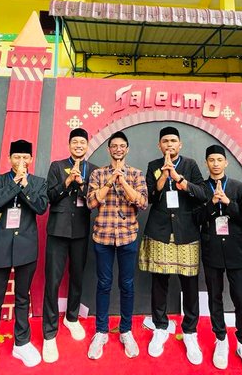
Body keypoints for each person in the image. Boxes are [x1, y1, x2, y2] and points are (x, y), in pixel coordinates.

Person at [0, 140, 49, 375]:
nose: (21, 161)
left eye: (25, 157)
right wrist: (15, 183)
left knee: (22, 298)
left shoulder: (38, 183)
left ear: (31, 160)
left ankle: (21, 343)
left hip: (26, 248)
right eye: (17, 157)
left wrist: (25, 186)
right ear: (9, 159)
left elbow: (40, 207)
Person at [139, 126, 206, 365]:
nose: (169, 144)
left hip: (186, 230)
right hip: (159, 230)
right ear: (159, 145)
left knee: (189, 283)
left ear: (180, 145)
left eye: (173, 141)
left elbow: (202, 194)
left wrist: (178, 178)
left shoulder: (190, 165)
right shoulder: (153, 166)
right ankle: (160, 327)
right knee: (160, 282)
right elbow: (148, 196)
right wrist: (163, 176)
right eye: (165, 141)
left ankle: (190, 331)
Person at [85, 131, 148, 360]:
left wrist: (122, 182)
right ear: (109, 149)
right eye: (114, 146)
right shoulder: (98, 174)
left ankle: (125, 331)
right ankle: (101, 331)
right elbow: (91, 203)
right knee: (103, 284)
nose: (118, 149)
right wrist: (111, 180)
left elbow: (142, 202)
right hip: (102, 237)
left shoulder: (136, 174)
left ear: (127, 149)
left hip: (127, 237)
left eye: (122, 146)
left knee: (127, 285)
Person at [198, 145, 242, 374]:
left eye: (219, 160)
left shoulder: (239, 187)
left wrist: (227, 202)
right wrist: (211, 204)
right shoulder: (201, 188)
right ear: (206, 163)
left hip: (236, 250)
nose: (215, 164)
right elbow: (195, 218)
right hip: (212, 249)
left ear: (226, 162)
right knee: (215, 296)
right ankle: (220, 338)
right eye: (211, 160)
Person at [42, 128, 98, 362]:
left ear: (87, 145)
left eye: (82, 142)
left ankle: (71, 317)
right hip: (58, 230)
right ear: (69, 145)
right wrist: (67, 181)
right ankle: (49, 332)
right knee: (53, 280)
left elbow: (95, 200)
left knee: (77, 276)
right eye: (74, 142)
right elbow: (49, 196)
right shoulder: (57, 166)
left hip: (81, 231)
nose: (78, 145)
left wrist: (82, 185)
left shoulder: (93, 170)